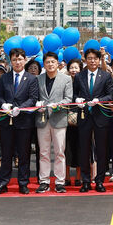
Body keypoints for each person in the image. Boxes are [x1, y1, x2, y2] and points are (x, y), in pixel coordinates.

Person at [0, 48, 39, 194]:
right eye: (14, 59)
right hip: (6, 121)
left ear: (25, 60)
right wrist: (3, 104)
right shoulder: (4, 78)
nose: (17, 62)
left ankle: (23, 183)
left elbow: (33, 98)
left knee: (23, 154)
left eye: (20, 59)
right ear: (10, 61)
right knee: (6, 154)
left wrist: (20, 108)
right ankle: (3, 183)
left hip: (24, 121)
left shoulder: (31, 79)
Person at [73, 49, 113, 192]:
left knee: (101, 150)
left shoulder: (106, 76)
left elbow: (111, 95)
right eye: (89, 58)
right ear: (85, 60)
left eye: (95, 58)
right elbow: (74, 94)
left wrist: (99, 100)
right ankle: (85, 181)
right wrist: (77, 100)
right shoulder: (79, 76)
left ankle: (99, 180)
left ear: (99, 60)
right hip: (84, 116)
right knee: (84, 149)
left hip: (100, 116)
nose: (92, 61)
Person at [34, 52, 73, 193]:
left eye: (53, 62)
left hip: (59, 119)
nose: (50, 64)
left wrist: (58, 105)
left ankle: (60, 182)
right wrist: (37, 105)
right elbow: (35, 97)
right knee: (43, 152)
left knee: (59, 152)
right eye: (47, 62)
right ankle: (44, 181)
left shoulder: (66, 79)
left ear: (58, 63)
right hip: (42, 119)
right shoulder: (38, 79)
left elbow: (68, 98)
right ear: (44, 64)